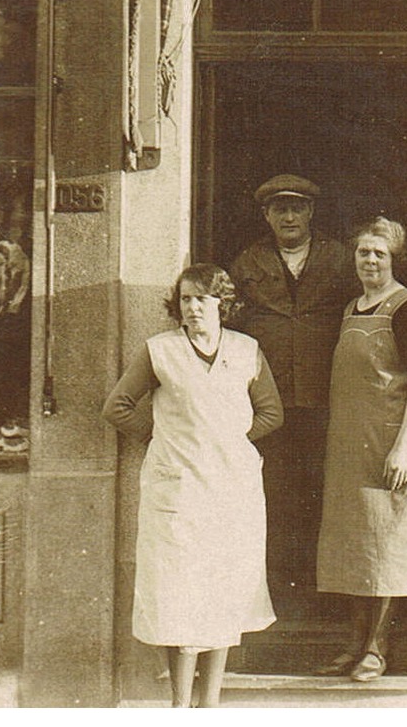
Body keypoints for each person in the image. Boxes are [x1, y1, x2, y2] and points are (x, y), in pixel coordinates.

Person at [103, 264, 283, 708]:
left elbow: (271, 413)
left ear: (223, 302)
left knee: (223, 587)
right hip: (177, 489)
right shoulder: (160, 351)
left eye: (202, 298)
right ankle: (180, 706)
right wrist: (160, 436)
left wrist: (228, 440)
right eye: (186, 299)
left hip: (230, 489)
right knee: (177, 589)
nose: (193, 307)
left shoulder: (246, 351)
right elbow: (118, 407)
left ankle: (211, 704)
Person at [314, 216, 407, 683]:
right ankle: (354, 642)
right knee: (352, 548)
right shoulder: (352, 308)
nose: (369, 260)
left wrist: (404, 446)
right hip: (351, 449)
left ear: (394, 259)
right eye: (363, 252)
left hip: (391, 447)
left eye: (378, 254)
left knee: (388, 547)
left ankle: (377, 649)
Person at [227, 175, 358, 600]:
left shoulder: (340, 259)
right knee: (275, 494)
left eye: (296, 208)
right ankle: (280, 591)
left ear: (311, 213)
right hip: (270, 402)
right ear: (266, 215)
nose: (289, 217)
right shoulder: (247, 264)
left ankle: (326, 594)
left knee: (325, 493)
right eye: (279, 209)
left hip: (327, 400)